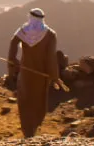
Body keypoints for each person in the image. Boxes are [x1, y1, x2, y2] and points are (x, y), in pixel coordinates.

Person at [7, 8, 60, 138]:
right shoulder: (50, 34)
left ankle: (27, 130)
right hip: (41, 75)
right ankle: (34, 126)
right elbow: (51, 58)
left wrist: (13, 66)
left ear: (30, 17)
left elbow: (12, 47)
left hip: (25, 74)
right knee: (38, 100)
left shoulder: (23, 31)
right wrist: (54, 76)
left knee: (25, 100)